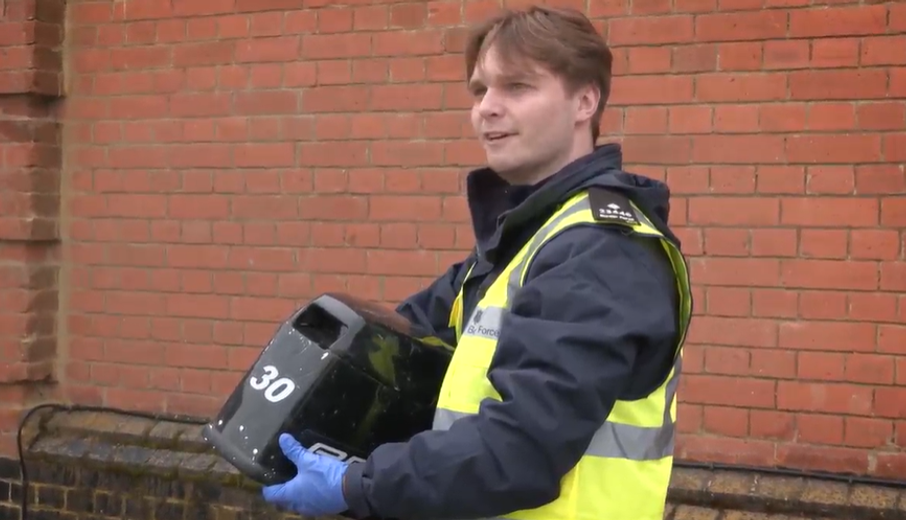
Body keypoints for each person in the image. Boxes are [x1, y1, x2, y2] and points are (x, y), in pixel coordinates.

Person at [261, 4, 693, 520]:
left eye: (517, 87)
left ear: (584, 102)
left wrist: (359, 485)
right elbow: (401, 353)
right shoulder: (521, 243)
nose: (486, 107)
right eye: (479, 90)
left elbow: (523, 449)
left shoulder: (601, 252)